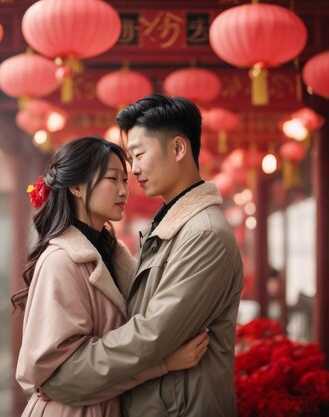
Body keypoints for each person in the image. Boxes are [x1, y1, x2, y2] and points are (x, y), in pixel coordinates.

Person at [40, 94, 244, 417]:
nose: (132, 171)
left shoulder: (203, 234)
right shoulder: (169, 225)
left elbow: (152, 334)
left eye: (138, 155)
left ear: (178, 149)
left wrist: (70, 375)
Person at [13, 137, 210, 417]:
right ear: (76, 187)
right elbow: (62, 375)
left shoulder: (110, 253)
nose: (123, 190)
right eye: (111, 179)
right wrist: (161, 362)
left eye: (125, 180)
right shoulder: (61, 261)